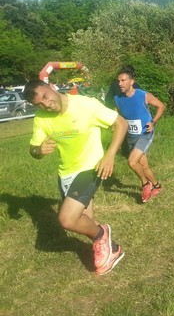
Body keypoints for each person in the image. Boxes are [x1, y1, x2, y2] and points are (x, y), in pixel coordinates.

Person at [24, 79, 129, 275]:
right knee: (84, 222)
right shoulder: (41, 118)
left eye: (46, 96)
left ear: (52, 88)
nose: (46, 104)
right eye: (39, 103)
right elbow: (34, 148)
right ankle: (112, 249)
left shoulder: (85, 105)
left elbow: (120, 124)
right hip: (66, 173)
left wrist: (109, 156)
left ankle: (102, 234)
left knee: (67, 219)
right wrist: (38, 150)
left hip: (91, 167)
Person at [114, 67, 166, 203]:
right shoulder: (117, 99)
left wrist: (153, 122)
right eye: (118, 81)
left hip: (145, 133)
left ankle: (145, 184)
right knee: (143, 165)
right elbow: (118, 116)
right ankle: (157, 186)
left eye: (123, 80)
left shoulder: (143, 95)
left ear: (131, 82)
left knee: (132, 162)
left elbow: (161, 106)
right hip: (131, 135)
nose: (120, 83)